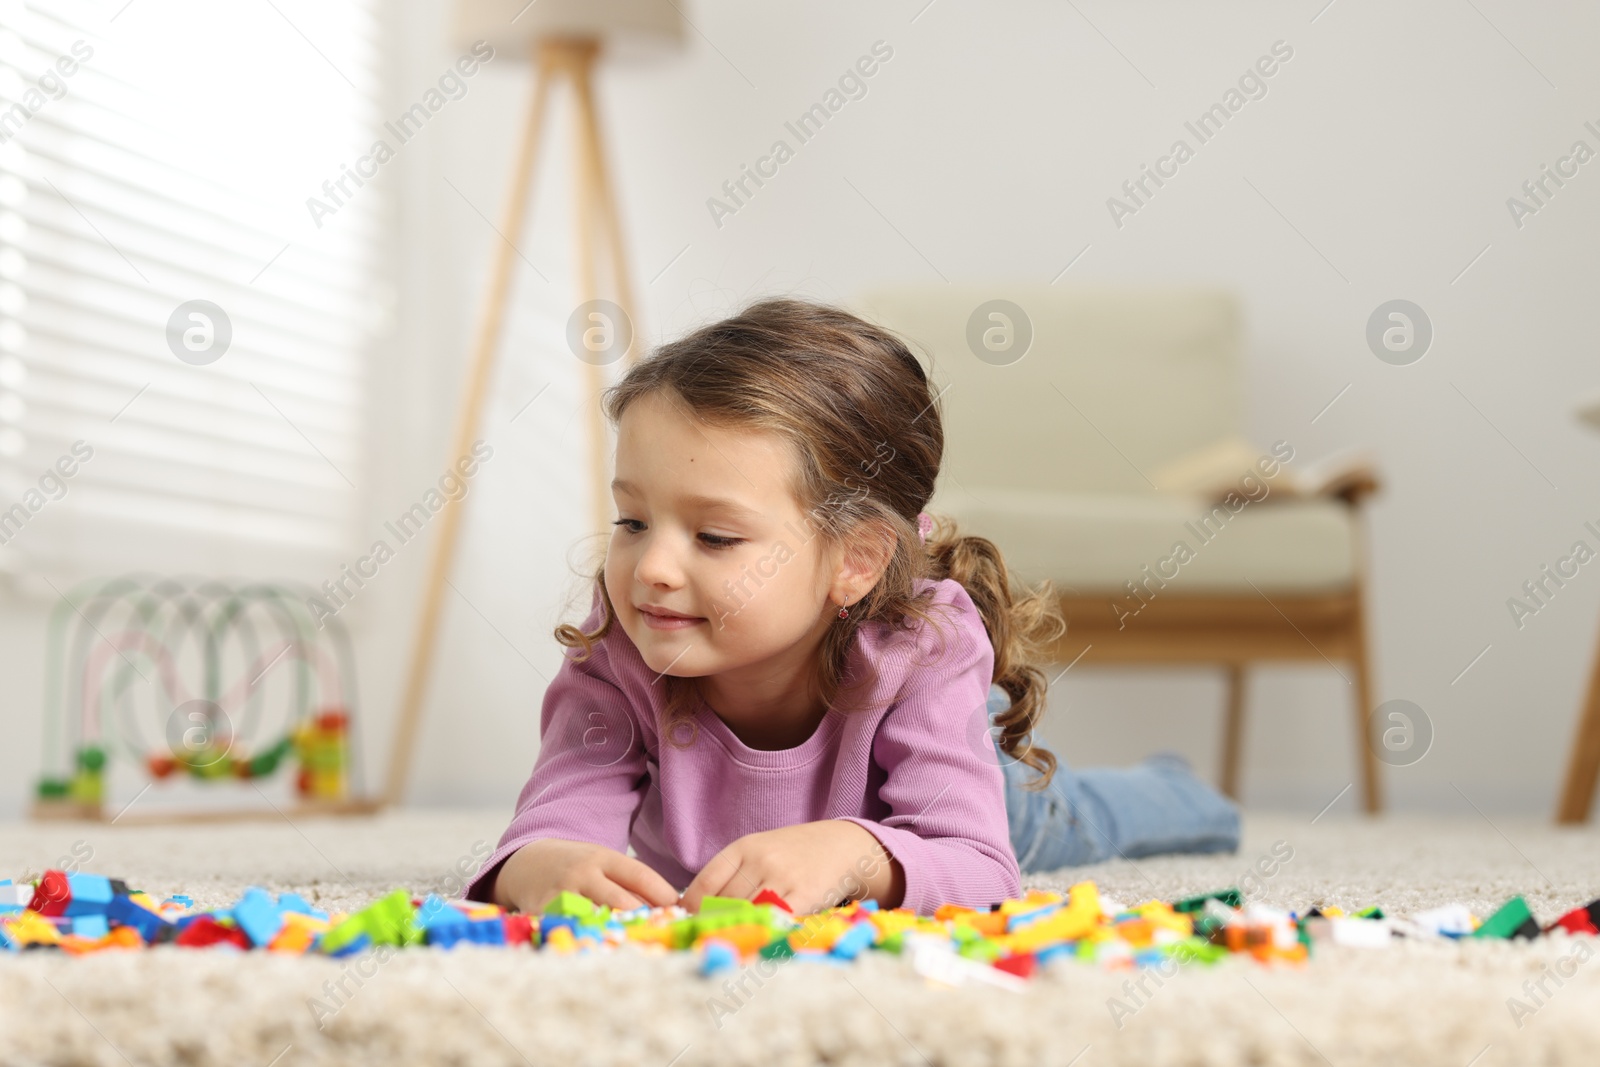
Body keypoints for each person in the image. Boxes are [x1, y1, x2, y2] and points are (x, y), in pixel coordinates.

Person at [463, 298, 1239, 917]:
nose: (652, 568)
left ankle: (1178, 788)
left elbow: (977, 864)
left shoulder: (919, 645)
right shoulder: (624, 642)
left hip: (945, 798)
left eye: (716, 535)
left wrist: (857, 853)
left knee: (1075, 817)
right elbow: (562, 808)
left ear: (855, 561)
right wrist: (540, 863)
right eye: (633, 521)